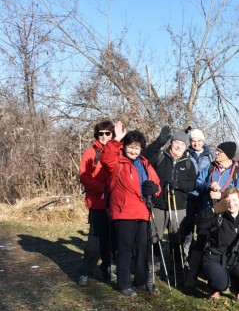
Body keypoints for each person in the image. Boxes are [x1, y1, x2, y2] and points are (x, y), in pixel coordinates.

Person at [100, 121, 161, 297]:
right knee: (125, 248)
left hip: (143, 212)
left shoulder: (144, 163)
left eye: (137, 148)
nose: (134, 151)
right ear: (125, 146)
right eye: (131, 147)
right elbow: (105, 159)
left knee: (142, 247)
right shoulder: (117, 161)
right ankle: (124, 283)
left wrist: (154, 189)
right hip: (124, 211)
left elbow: (156, 183)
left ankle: (140, 281)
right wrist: (115, 140)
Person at [187, 188, 239, 300]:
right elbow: (200, 223)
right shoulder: (218, 215)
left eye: (235, 200)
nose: (231, 203)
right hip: (215, 258)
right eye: (228, 200)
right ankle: (214, 287)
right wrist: (214, 209)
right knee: (221, 284)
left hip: (237, 259)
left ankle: (238, 287)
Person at [142, 128, 197, 282]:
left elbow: (192, 184)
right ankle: (152, 270)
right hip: (158, 205)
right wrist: (159, 141)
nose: (179, 146)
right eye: (176, 142)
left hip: (179, 208)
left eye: (182, 144)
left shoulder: (188, 163)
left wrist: (178, 184)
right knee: (154, 238)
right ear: (171, 143)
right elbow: (143, 157)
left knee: (177, 240)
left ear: (186, 147)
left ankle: (177, 272)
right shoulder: (159, 156)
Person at [78, 120, 115, 286]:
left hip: (115, 204)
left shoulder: (118, 150)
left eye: (108, 133)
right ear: (97, 135)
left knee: (110, 240)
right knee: (94, 241)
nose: (105, 136)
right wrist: (102, 189)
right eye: (101, 133)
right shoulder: (91, 152)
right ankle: (85, 271)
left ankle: (106, 268)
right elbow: (84, 177)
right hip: (98, 203)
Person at [183, 128, 215, 259]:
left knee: (203, 228)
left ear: (203, 141)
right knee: (187, 228)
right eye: (193, 141)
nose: (196, 144)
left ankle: (201, 257)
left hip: (204, 197)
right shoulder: (185, 154)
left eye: (199, 141)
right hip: (189, 196)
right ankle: (187, 256)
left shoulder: (210, 156)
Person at [195, 141, 239, 211]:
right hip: (207, 210)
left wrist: (222, 195)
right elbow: (197, 185)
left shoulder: (238, 171)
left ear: (227, 155)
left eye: (220, 151)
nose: (216, 153)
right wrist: (209, 185)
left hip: (226, 212)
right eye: (217, 150)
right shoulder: (210, 166)